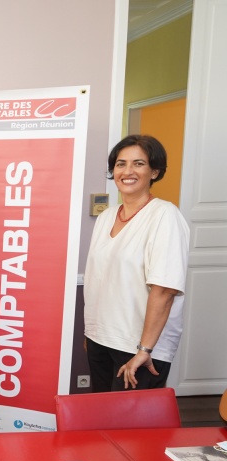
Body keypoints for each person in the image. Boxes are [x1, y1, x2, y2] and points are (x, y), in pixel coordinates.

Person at [84, 135, 190, 391]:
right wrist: (93, 332)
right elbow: (99, 279)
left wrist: (145, 349)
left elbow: (164, 289)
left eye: (138, 164)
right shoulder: (107, 216)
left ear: (155, 171)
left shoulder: (164, 216)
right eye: (121, 164)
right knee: (100, 414)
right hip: (101, 339)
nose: (127, 171)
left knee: (128, 418)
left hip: (139, 349)